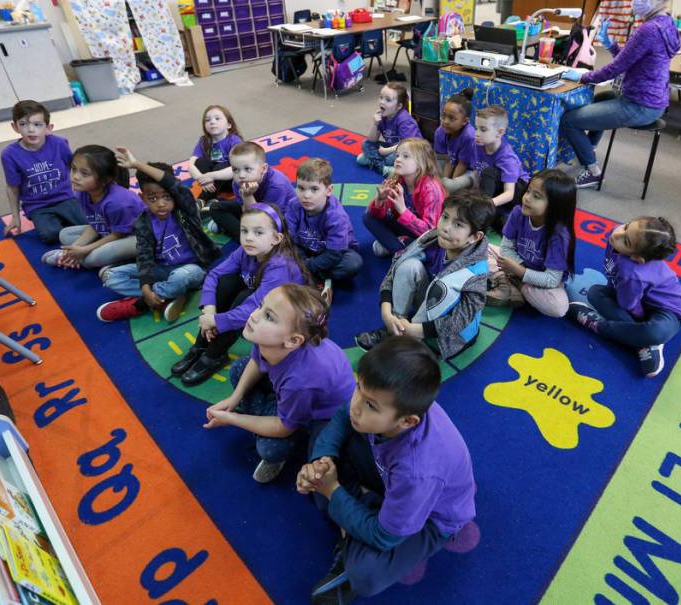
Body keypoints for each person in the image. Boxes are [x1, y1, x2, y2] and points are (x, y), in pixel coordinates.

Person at [297, 336, 476, 604]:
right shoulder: (383, 401)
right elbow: (345, 413)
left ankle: (357, 514)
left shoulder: (417, 472)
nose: (357, 404)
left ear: (407, 421)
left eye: (370, 405)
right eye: (358, 387)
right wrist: (321, 460)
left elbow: (384, 538)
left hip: (432, 519)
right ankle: (360, 511)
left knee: (365, 575)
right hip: (390, 474)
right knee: (324, 436)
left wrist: (332, 490)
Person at [204, 284, 355, 483]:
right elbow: (257, 361)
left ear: (293, 340)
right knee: (239, 370)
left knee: (270, 449)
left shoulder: (301, 381)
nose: (255, 316)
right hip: (292, 394)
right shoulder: (269, 340)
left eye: (269, 317)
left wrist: (232, 418)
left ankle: (296, 436)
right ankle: (272, 412)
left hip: (323, 416)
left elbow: (284, 427)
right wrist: (235, 398)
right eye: (261, 306)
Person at [559, 0, 681, 189]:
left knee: (568, 121)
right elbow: (630, 60)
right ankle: (589, 149)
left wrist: (582, 76)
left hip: (640, 105)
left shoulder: (649, 29)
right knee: (603, 98)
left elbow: (615, 68)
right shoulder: (667, 23)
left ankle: (592, 171)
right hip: (654, 101)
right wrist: (610, 44)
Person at [172, 204, 309, 386]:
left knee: (244, 297)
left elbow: (253, 307)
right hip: (258, 299)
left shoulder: (280, 267)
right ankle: (202, 344)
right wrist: (209, 311)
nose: (249, 238)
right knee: (227, 282)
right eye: (244, 231)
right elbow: (214, 275)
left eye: (258, 233)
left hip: (284, 314)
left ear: (276, 238)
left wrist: (216, 321)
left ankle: (215, 355)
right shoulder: (246, 251)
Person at [356, 189, 493, 360]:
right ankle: (397, 327)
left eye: (458, 225)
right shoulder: (431, 238)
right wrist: (387, 312)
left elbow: (460, 320)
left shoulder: (476, 272)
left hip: (450, 334)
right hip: (428, 306)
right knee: (408, 266)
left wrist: (415, 330)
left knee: (444, 289)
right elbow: (396, 267)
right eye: (444, 217)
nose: (445, 228)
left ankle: (410, 338)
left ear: (474, 237)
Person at [95, 148, 220, 323]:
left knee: (180, 277)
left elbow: (174, 186)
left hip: (192, 269)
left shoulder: (185, 209)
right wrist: (145, 286)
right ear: (142, 197)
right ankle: (167, 295)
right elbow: (144, 255)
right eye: (152, 198)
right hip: (162, 269)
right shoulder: (142, 222)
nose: (161, 204)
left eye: (166, 197)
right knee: (111, 277)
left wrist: (137, 164)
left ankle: (140, 304)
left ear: (174, 195)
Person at [568, 216, 681, 377]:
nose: (617, 234)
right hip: (632, 297)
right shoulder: (616, 236)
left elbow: (628, 306)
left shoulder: (631, 272)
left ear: (637, 258)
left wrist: (640, 320)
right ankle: (643, 345)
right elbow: (614, 282)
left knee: (655, 332)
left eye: (626, 241)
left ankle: (599, 326)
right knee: (595, 293)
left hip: (667, 312)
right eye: (626, 227)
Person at [41, 145, 145, 271]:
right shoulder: (82, 192)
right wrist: (75, 248)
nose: (75, 177)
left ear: (105, 179)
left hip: (140, 237)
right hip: (112, 231)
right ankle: (74, 257)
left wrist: (85, 249)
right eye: (74, 169)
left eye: (84, 173)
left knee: (92, 259)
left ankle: (118, 262)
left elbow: (119, 234)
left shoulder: (118, 202)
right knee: (65, 234)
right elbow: (97, 224)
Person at [488, 170, 576, 317]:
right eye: (528, 191)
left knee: (558, 307)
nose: (527, 198)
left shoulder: (559, 235)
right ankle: (510, 282)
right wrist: (517, 266)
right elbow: (506, 248)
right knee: (475, 247)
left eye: (537, 196)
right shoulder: (518, 212)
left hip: (540, 279)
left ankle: (515, 285)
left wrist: (519, 272)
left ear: (554, 207)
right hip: (517, 264)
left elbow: (552, 280)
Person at [1, 100, 85, 244]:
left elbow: (74, 168)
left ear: (48, 127)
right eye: (23, 124)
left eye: (37, 124)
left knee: (88, 223)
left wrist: (87, 196)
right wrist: (15, 217)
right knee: (49, 235)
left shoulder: (59, 143)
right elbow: (12, 187)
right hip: (37, 205)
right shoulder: (9, 154)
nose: (31, 130)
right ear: (15, 127)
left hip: (65, 196)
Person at [286, 158, 363, 302]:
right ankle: (319, 276)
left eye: (314, 189)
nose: (306, 195)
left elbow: (334, 254)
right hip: (306, 249)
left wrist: (305, 266)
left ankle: (311, 275)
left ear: (328, 190)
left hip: (335, 254)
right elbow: (288, 237)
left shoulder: (336, 216)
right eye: (301, 188)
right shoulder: (294, 205)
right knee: (283, 251)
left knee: (353, 263)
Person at [363, 138, 446, 258]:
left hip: (426, 237)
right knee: (368, 216)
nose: (398, 159)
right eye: (397, 155)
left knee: (380, 249)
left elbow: (430, 233)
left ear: (421, 163)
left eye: (406, 156)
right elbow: (378, 216)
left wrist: (403, 211)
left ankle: (398, 249)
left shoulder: (431, 188)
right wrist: (380, 201)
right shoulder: (396, 179)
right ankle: (402, 248)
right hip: (405, 229)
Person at [207, 141, 296, 240]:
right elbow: (246, 212)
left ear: (263, 168)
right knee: (215, 207)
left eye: (248, 169)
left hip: (278, 219)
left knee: (270, 235)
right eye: (235, 170)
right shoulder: (238, 182)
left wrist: (247, 196)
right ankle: (243, 234)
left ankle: (243, 236)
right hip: (255, 209)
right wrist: (247, 197)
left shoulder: (277, 185)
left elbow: (262, 221)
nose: (241, 175)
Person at [464, 105, 529, 229]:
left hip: (518, 191)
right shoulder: (477, 145)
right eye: (476, 128)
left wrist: (485, 204)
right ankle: (497, 218)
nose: (476, 134)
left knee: (489, 173)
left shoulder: (507, 158)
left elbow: (509, 193)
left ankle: (486, 215)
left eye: (483, 129)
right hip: (496, 188)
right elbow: (478, 172)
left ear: (500, 132)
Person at [356, 83, 422, 175]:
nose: (382, 102)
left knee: (391, 158)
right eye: (381, 97)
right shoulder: (383, 115)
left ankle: (378, 165)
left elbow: (408, 145)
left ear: (399, 106)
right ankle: (386, 167)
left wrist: (385, 151)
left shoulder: (404, 120)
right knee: (365, 144)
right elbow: (372, 139)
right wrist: (375, 124)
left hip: (411, 152)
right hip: (393, 147)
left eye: (388, 100)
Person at [187, 104, 243, 198]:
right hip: (211, 182)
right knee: (200, 162)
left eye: (217, 118)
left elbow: (238, 168)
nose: (212, 122)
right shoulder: (204, 141)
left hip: (231, 180)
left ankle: (204, 198)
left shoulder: (234, 140)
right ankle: (210, 191)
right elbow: (191, 165)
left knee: (221, 166)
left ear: (229, 125)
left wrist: (211, 175)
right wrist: (202, 179)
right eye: (208, 120)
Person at [435, 88, 476, 189]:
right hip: (454, 164)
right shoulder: (441, 131)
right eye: (443, 116)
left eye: (452, 118)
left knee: (449, 186)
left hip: (471, 170)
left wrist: (449, 187)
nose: (445, 121)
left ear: (465, 121)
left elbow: (462, 164)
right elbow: (449, 159)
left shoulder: (469, 136)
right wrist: (444, 182)